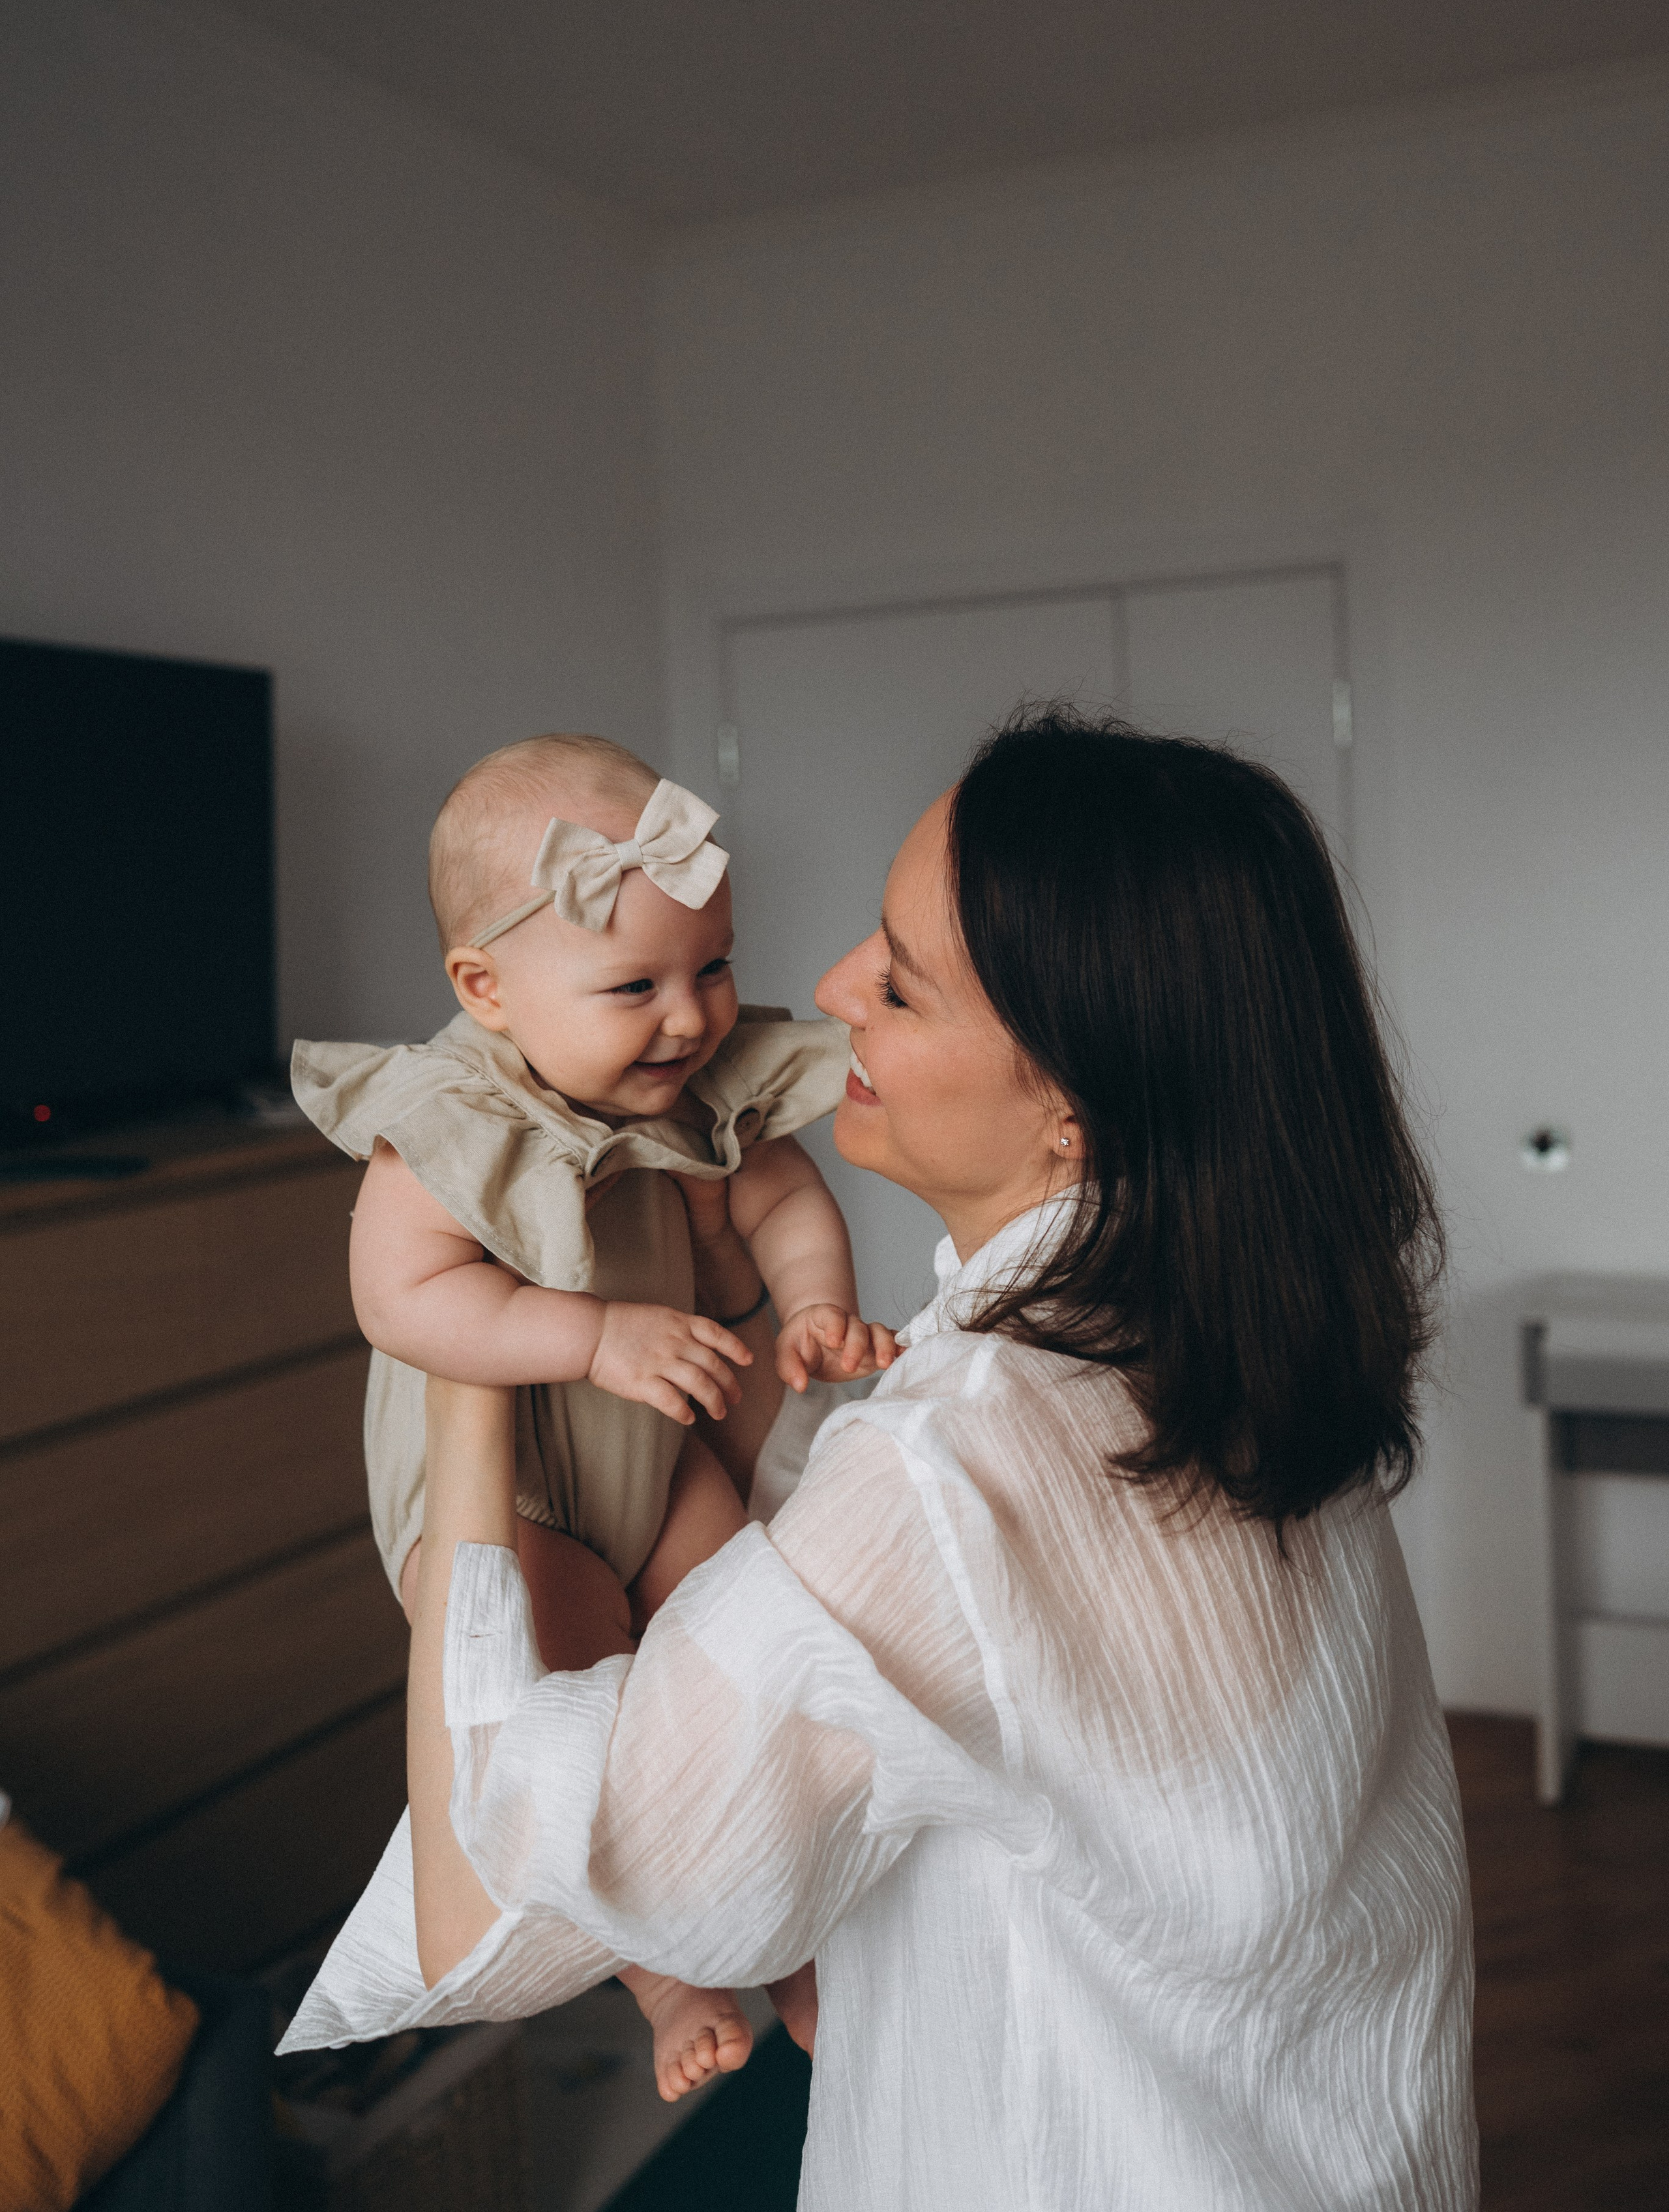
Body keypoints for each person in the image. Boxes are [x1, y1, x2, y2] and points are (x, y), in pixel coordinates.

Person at [283, 709, 1478, 2211]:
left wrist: (473, 1380)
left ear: (1069, 1103)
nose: (828, 986)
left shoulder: (951, 1466)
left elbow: (505, 1881)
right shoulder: (1233, 1353)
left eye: (901, 981)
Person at [290, 731, 894, 2098]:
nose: (688, 1017)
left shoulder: (694, 1079)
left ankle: (791, 1930)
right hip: (510, 1500)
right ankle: (660, 1971)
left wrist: (808, 1304)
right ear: (484, 988)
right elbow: (401, 1299)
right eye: (635, 985)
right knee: (575, 1715)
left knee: (749, 1642)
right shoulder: (445, 1116)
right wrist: (591, 1333)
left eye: (714, 965)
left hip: (653, 1456)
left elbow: (783, 1199)